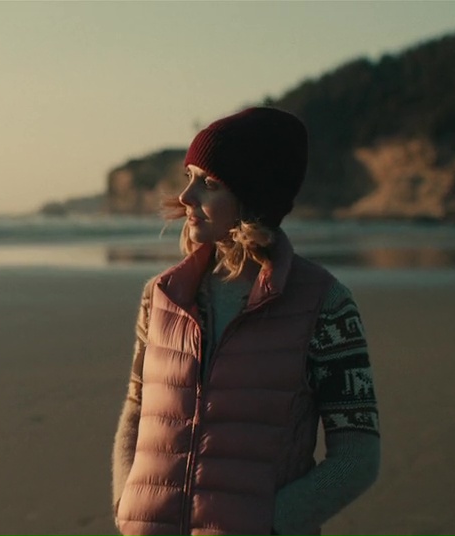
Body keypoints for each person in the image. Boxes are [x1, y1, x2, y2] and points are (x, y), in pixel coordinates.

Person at [111, 107, 380, 536]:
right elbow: (137, 409)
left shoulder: (325, 305)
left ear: (252, 199)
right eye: (189, 177)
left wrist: (269, 525)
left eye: (209, 184)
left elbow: (357, 457)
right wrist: (128, 505)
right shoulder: (161, 297)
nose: (186, 197)